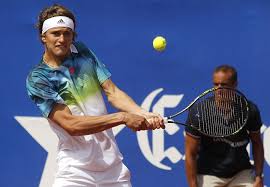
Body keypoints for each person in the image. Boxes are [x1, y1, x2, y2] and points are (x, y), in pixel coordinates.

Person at [26, 4, 164, 187]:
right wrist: (123, 117)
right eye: (56, 33)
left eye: (67, 33)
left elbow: (112, 92)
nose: (62, 39)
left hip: (113, 170)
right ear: (44, 37)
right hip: (75, 172)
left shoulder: (82, 52)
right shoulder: (38, 79)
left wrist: (143, 113)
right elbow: (71, 124)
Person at [185, 65, 264, 187]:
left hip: (241, 173)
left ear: (235, 85)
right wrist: (193, 185)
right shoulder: (199, 112)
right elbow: (190, 153)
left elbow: (257, 143)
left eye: (224, 85)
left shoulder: (249, 110)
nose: (219, 89)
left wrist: (259, 176)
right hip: (208, 174)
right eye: (216, 84)